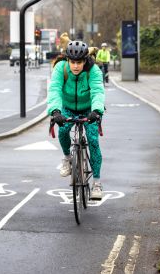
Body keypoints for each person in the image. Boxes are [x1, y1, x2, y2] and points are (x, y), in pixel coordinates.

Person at [47, 40, 106, 200]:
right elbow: (54, 89)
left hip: (89, 109)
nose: (75, 66)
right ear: (67, 60)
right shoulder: (60, 68)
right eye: (72, 62)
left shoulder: (93, 70)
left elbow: (98, 91)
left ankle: (97, 183)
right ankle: (67, 158)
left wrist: (97, 110)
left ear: (85, 60)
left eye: (79, 62)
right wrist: (55, 111)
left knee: (93, 140)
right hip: (67, 107)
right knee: (63, 131)